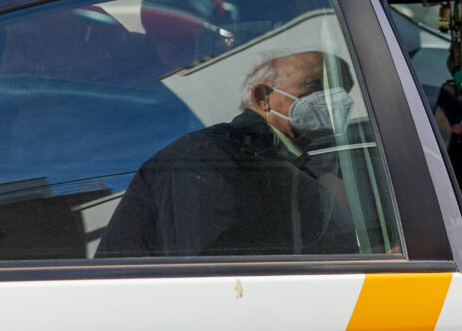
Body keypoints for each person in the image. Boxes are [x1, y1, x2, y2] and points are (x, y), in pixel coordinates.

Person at [97, 51, 358, 257]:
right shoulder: (211, 156)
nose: (336, 98)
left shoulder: (288, 162)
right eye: (316, 84)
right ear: (264, 97)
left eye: (342, 88)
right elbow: (218, 273)